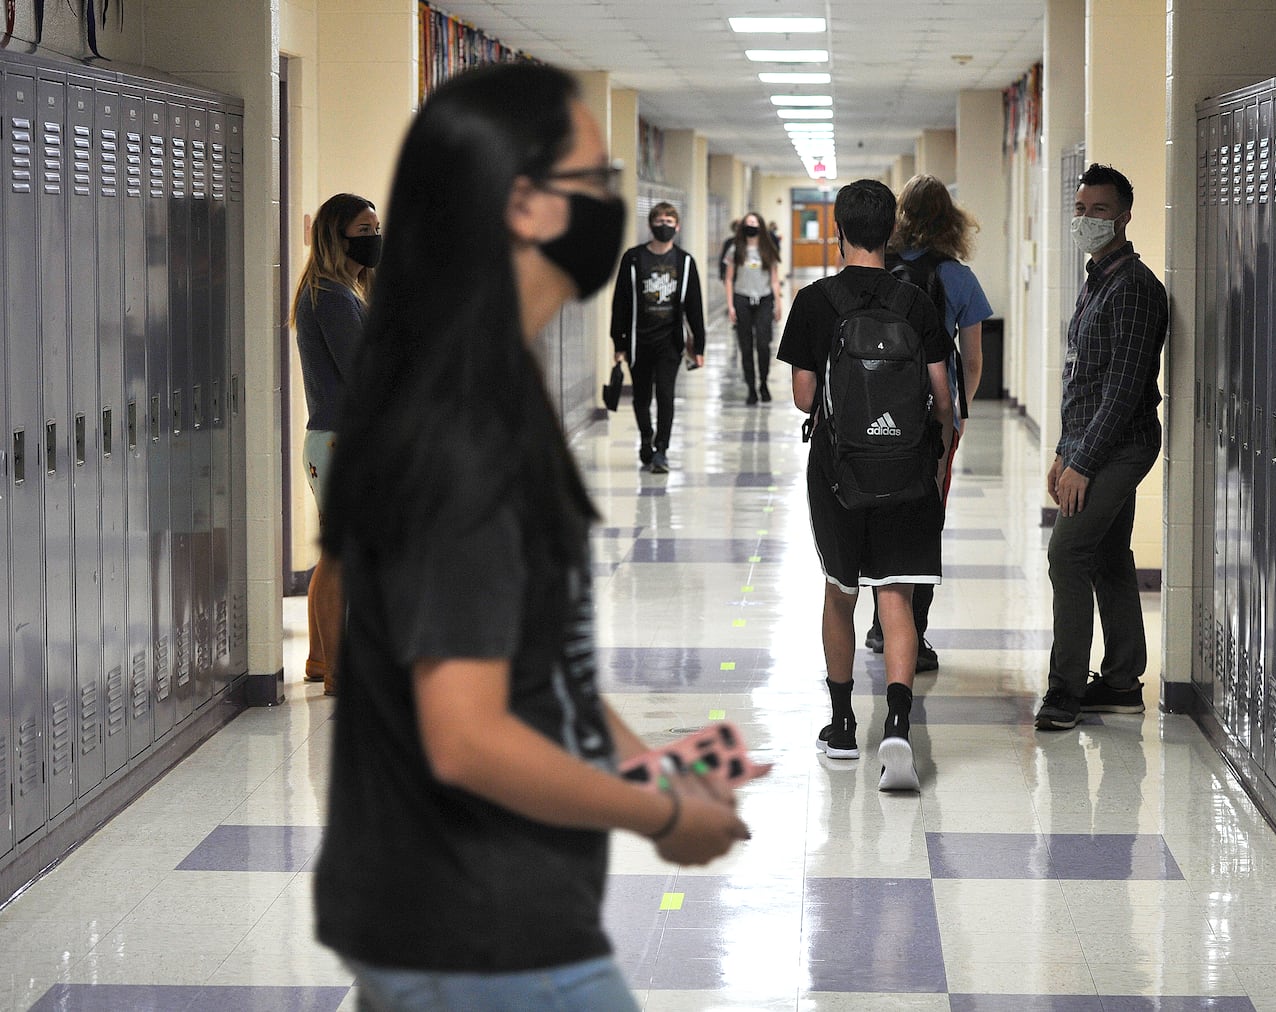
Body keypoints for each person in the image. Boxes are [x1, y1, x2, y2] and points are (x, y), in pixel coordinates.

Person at [313, 62, 754, 1010]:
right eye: (595, 184)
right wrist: (662, 812)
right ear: (524, 205)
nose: (614, 208)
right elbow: (467, 739)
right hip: (481, 928)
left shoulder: (484, 387)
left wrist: (654, 761)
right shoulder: (457, 426)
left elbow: (538, 670)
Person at [777, 179, 953, 793]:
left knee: (840, 592)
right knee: (895, 597)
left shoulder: (814, 301)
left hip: (838, 471)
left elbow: (804, 396)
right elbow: (942, 398)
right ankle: (899, 725)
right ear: (891, 232)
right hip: (905, 471)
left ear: (839, 229)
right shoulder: (917, 303)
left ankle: (844, 726)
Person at [1034, 163, 1168, 731]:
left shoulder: (1134, 288)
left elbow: (1123, 388)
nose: (1087, 219)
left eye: (1100, 210)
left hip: (1121, 446)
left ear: (1125, 216)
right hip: (1091, 442)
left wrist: (1083, 461)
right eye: (1082, 209)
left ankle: (1064, 691)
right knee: (1110, 557)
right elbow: (1082, 380)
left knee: (1067, 553)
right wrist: (1066, 450)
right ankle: (1119, 683)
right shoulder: (1098, 279)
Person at [862, 174, 994, 672]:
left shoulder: (877, 269)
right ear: (951, 220)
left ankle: (880, 623)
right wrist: (955, 414)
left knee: (877, 511)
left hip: (874, 410)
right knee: (924, 518)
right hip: (932, 417)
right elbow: (974, 359)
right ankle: (913, 633)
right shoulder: (958, 277)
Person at [291, 192, 380, 696]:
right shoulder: (332, 297)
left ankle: (322, 659)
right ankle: (339, 669)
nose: (374, 240)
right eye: (364, 232)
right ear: (336, 236)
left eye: (375, 229)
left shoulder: (337, 291)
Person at [609, 201, 706, 474]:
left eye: (669, 221)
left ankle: (661, 449)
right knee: (641, 397)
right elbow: (621, 303)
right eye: (659, 220)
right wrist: (619, 342)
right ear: (651, 224)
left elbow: (694, 306)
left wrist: (698, 345)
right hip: (639, 342)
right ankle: (645, 438)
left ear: (677, 226)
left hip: (669, 343)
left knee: (665, 394)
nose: (664, 225)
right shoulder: (633, 258)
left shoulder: (685, 262)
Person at [723, 211, 783, 405]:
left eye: (755, 222)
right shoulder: (735, 249)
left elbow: (774, 280)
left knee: (763, 345)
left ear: (761, 226)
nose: (751, 225)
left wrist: (778, 304)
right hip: (742, 299)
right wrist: (730, 305)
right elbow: (729, 279)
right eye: (748, 222)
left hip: (764, 300)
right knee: (746, 346)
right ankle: (751, 388)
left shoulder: (768, 249)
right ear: (743, 226)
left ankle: (763, 383)